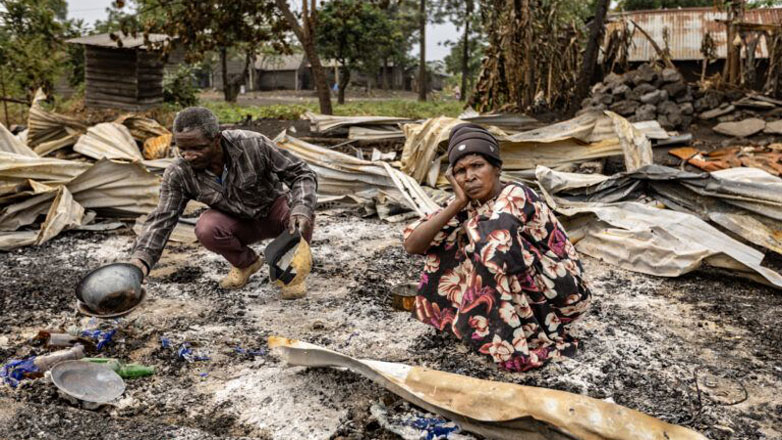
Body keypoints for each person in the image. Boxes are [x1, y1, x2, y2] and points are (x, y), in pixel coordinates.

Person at [403, 124, 591, 371]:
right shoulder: (467, 203)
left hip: (564, 295)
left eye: (477, 166)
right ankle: (475, 323)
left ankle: (516, 336)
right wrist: (457, 204)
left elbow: (497, 245)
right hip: (530, 286)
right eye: (460, 171)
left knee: (493, 242)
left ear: (497, 168)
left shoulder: (516, 194)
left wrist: (467, 227)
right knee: (447, 238)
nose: (469, 176)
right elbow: (413, 244)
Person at [129, 107, 317, 298]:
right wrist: (140, 261)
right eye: (182, 148)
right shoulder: (179, 173)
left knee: (302, 214)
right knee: (206, 228)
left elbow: (301, 173)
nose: (188, 155)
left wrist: (301, 207)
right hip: (237, 223)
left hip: (275, 212)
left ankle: (292, 274)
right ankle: (246, 264)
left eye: (198, 148)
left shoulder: (252, 144)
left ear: (217, 139)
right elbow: (162, 217)